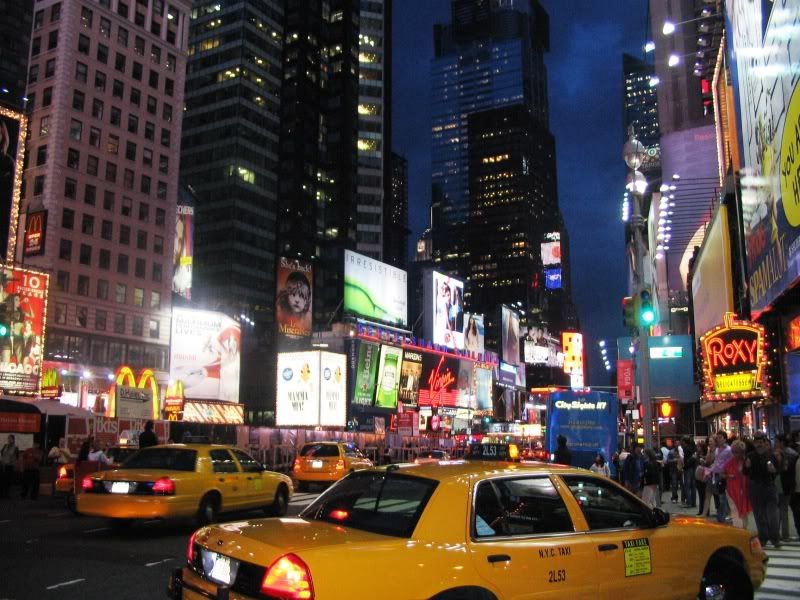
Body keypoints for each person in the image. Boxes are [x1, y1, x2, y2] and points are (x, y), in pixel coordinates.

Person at [745, 432, 781, 548]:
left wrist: (773, 470)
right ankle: (764, 537)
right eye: (757, 442)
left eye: (761, 442)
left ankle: (775, 537)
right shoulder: (750, 456)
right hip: (756, 487)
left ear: (765, 442)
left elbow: (777, 471)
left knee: (772, 514)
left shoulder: (771, 456)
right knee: (759, 514)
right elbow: (745, 472)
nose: (759, 444)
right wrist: (747, 467)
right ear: (754, 444)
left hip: (769, 486)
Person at [723, 440, 751, 529]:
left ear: (742, 452)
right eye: (733, 452)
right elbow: (722, 474)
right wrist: (728, 476)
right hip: (732, 491)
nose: (734, 454)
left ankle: (744, 529)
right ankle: (739, 530)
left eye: (736, 452)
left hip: (745, 490)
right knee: (735, 512)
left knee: (744, 512)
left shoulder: (747, 461)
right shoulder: (730, 462)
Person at [775, 434, 798, 541]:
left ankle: (783, 534)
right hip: (789, 484)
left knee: (782, 509)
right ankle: (784, 534)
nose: (775, 444)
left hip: (783, 484)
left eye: (777, 441)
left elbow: (784, 469)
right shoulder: (793, 453)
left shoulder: (784, 454)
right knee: (783, 509)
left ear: (781, 442)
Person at [710, 431, 732, 523]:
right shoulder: (717, 450)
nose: (718, 439)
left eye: (720, 437)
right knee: (719, 497)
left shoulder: (729, 450)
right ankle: (723, 515)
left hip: (724, 476)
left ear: (725, 439)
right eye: (717, 438)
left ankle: (722, 517)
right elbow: (716, 462)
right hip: (716, 475)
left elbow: (731, 463)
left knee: (723, 497)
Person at [681, 436, 698, 508]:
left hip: (688, 468)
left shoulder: (686, 449)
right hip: (694, 468)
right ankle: (693, 503)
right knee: (693, 486)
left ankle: (689, 502)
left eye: (682, 441)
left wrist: (684, 467)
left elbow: (685, 460)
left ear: (684, 442)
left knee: (687, 486)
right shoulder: (694, 448)